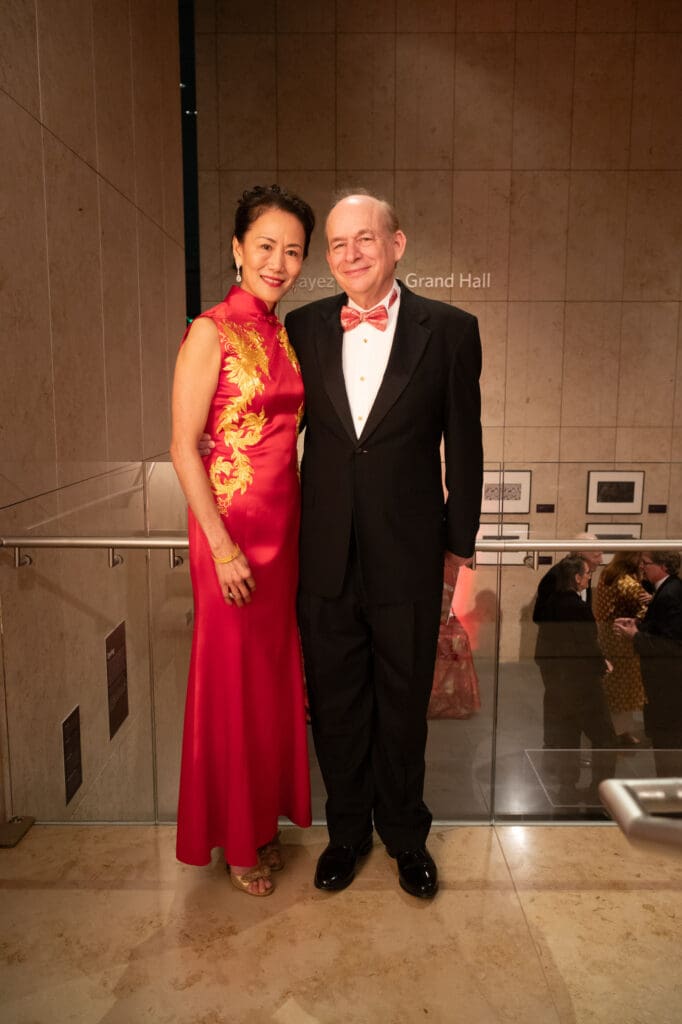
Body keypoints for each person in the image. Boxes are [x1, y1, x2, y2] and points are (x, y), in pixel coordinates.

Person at [284, 191, 483, 899]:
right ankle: (346, 834)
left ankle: (405, 836)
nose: (351, 254)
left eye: (364, 239)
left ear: (396, 243)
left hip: (409, 556)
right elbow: (278, 433)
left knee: (402, 706)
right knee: (335, 704)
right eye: (337, 244)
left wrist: (457, 546)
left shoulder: (452, 330)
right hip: (324, 555)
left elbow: (465, 446)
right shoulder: (302, 326)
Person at [171, 185, 315, 896]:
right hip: (229, 536)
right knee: (231, 685)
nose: (279, 261)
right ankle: (235, 845)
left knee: (265, 685)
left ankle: (262, 822)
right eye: (265, 246)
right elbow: (181, 447)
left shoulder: (281, 331)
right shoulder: (211, 330)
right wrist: (222, 548)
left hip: (281, 538)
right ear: (236, 248)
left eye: (292, 251)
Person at [535, 556, 617, 804]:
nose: (590, 577)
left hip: (557, 682)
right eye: (587, 574)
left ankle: (567, 788)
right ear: (576, 578)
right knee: (605, 737)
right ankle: (601, 790)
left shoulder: (549, 604)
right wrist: (602, 665)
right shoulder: (578, 609)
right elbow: (587, 644)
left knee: (568, 736)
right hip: (582, 684)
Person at [614, 551, 682, 777]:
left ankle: (669, 796)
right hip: (665, 683)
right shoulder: (669, 588)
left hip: (668, 684)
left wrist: (635, 636)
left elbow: (673, 645)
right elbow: (661, 627)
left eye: (646, 563)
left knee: (667, 743)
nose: (641, 567)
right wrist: (638, 625)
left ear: (663, 566)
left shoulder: (670, 593)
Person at [593, 551, 650, 746]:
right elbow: (648, 609)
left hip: (608, 636)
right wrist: (652, 600)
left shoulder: (608, 574)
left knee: (613, 687)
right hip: (623, 641)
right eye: (641, 560)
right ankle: (618, 733)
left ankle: (617, 730)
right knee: (622, 690)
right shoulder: (627, 583)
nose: (643, 565)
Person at [533, 533, 603, 624]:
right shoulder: (554, 576)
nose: (601, 560)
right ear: (579, 555)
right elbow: (539, 617)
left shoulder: (586, 572)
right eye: (596, 556)